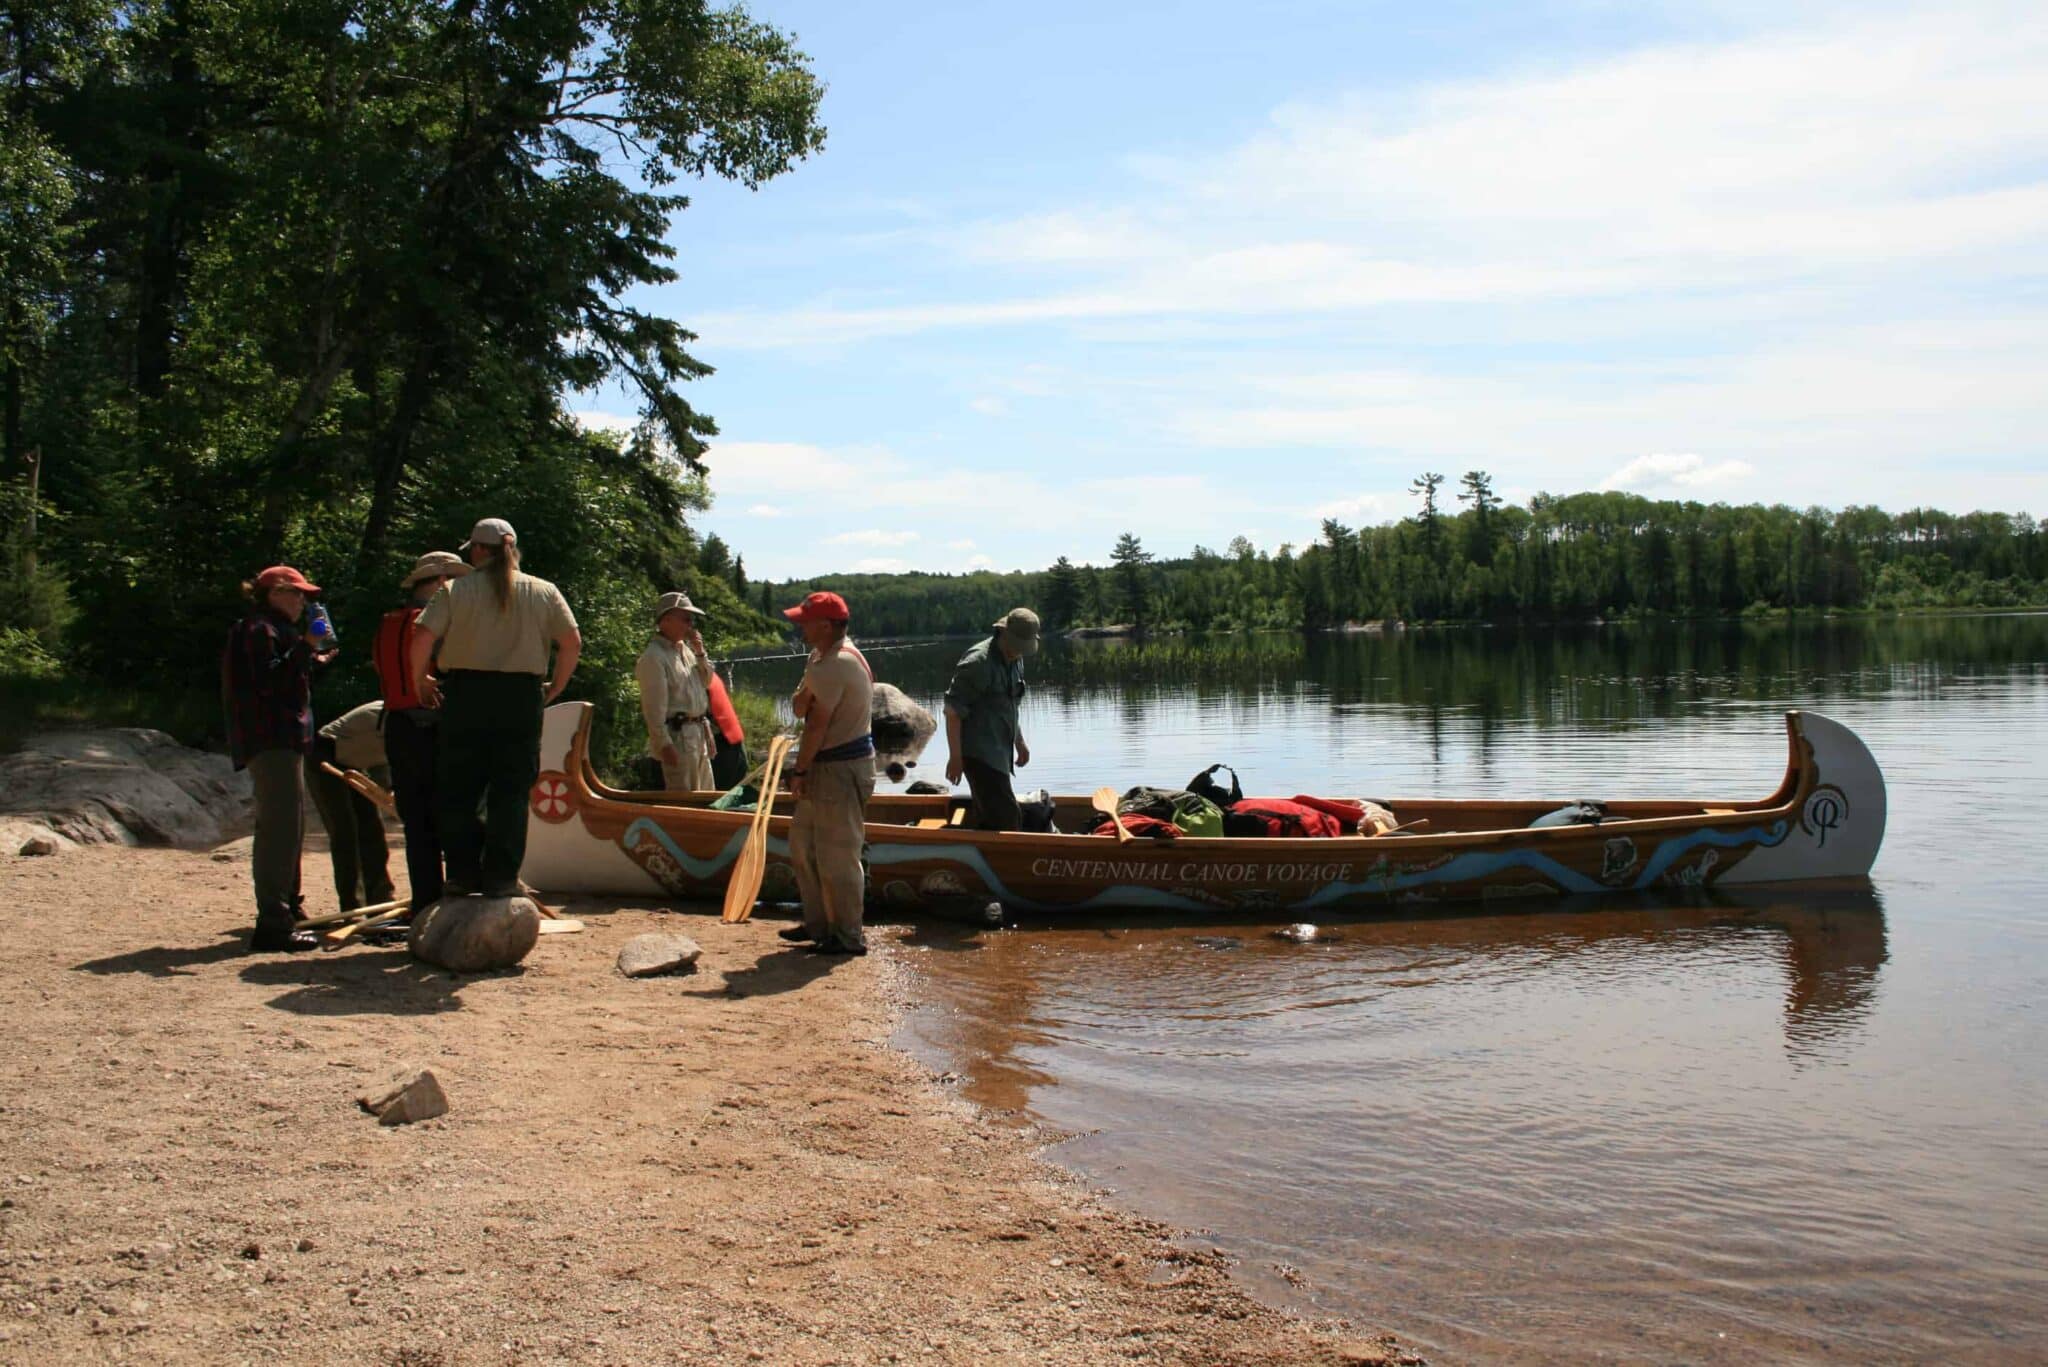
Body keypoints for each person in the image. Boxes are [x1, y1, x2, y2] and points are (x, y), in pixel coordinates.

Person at [407, 518, 580, 898]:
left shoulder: (455, 590)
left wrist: (421, 680)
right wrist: (555, 688)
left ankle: (464, 874)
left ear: (479, 550)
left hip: (466, 695)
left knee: (458, 789)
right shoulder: (544, 591)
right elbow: (571, 643)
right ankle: (501, 877)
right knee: (512, 791)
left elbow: (422, 637)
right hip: (520, 698)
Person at [221, 564, 335, 952]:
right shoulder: (257, 630)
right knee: (279, 830)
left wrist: (313, 660)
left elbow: (285, 678)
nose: (303, 600)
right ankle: (273, 922)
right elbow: (268, 683)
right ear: (273, 593)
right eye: (297, 593)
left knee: (291, 828)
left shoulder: (274, 630)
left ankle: (288, 910)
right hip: (270, 741)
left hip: (284, 740)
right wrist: (305, 646)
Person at [779, 591, 875, 955]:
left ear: (825, 624)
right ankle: (819, 925)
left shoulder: (836, 663)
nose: (799, 627)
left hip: (839, 767)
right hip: (828, 765)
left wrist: (798, 770)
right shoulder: (820, 657)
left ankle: (848, 937)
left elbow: (816, 723)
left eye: (804, 621)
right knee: (803, 846)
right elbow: (800, 704)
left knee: (838, 855)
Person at [373, 550, 469, 909]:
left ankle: (425, 903)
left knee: (417, 824)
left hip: (398, 727)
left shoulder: (388, 622)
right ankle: (458, 898)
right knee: (454, 812)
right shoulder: (436, 625)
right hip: (435, 728)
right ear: (442, 583)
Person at [943, 607, 1038, 831]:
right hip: (978, 754)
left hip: (1000, 752)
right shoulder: (978, 662)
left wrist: (1019, 741)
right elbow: (952, 711)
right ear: (1004, 633)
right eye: (1016, 646)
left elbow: (1010, 704)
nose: (1018, 652)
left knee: (995, 814)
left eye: (1022, 648)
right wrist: (955, 757)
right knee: (1007, 820)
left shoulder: (1015, 659)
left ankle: (978, 853)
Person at [305, 700, 396, 912]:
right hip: (324, 756)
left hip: (356, 762)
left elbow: (380, 757)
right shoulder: (389, 714)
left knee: (372, 829)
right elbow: (389, 751)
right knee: (345, 832)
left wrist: (388, 789)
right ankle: (352, 906)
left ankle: (381, 899)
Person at [634, 591, 716, 791]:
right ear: (666, 620)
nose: (690, 625)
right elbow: (653, 709)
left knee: (707, 798)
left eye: (691, 620)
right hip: (678, 740)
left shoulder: (686, 651)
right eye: (685, 619)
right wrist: (664, 745)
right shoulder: (654, 657)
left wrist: (700, 652)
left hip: (697, 736)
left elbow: (707, 681)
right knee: (684, 802)